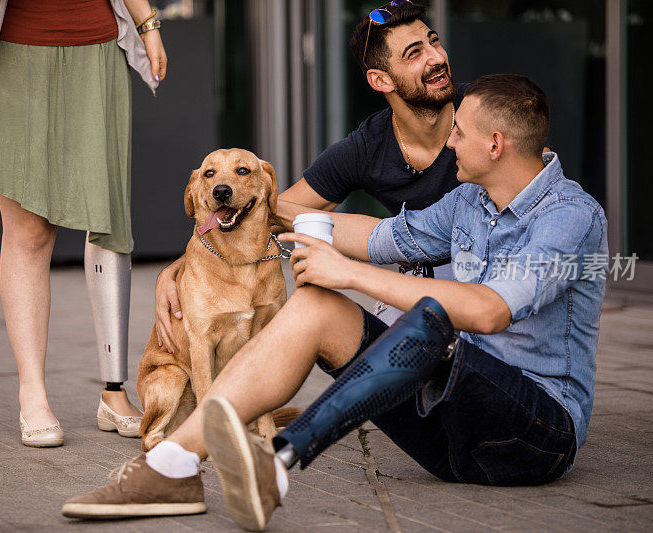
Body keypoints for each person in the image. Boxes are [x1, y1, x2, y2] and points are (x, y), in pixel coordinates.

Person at [62, 74, 608, 531]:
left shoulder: (569, 217)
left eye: (458, 133)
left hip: (534, 437)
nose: (448, 144)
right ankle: (172, 465)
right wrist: (213, 240)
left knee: (429, 322)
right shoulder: (470, 200)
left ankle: (275, 462)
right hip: (449, 433)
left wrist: (351, 274)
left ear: (495, 144)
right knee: (317, 304)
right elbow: (378, 236)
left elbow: (489, 310)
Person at [153, 1, 466, 352]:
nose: (437, 57)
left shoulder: (485, 113)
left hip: (493, 284)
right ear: (381, 79)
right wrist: (179, 269)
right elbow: (264, 213)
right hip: (417, 288)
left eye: (434, 42)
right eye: (414, 53)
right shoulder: (366, 146)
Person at [0, 0, 167, 447]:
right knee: (28, 234)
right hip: (15, 51)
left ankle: (114, 392)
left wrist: (147, 22)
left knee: (108, 220)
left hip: (98, 49)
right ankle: (34, 395)